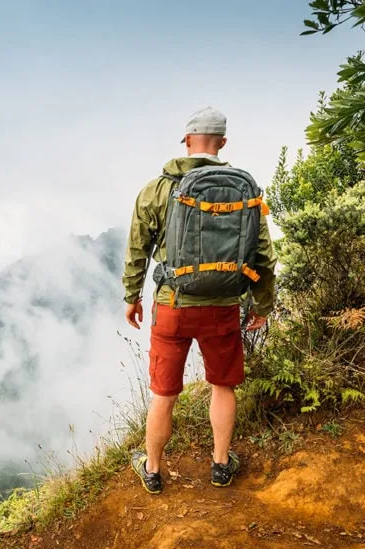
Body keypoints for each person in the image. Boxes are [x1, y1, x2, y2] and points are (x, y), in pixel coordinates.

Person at [123, 107, 277, 492]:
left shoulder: (157, 189)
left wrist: (132, 296)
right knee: (223, 386)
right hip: (224, 307)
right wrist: (262, 304)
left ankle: (153, 469)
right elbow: (263, 256)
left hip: (173, 308)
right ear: (222, 143)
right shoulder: (245, 190)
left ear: (186, 140)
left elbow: (137, 249)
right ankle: (221, 464)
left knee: (164, 393)